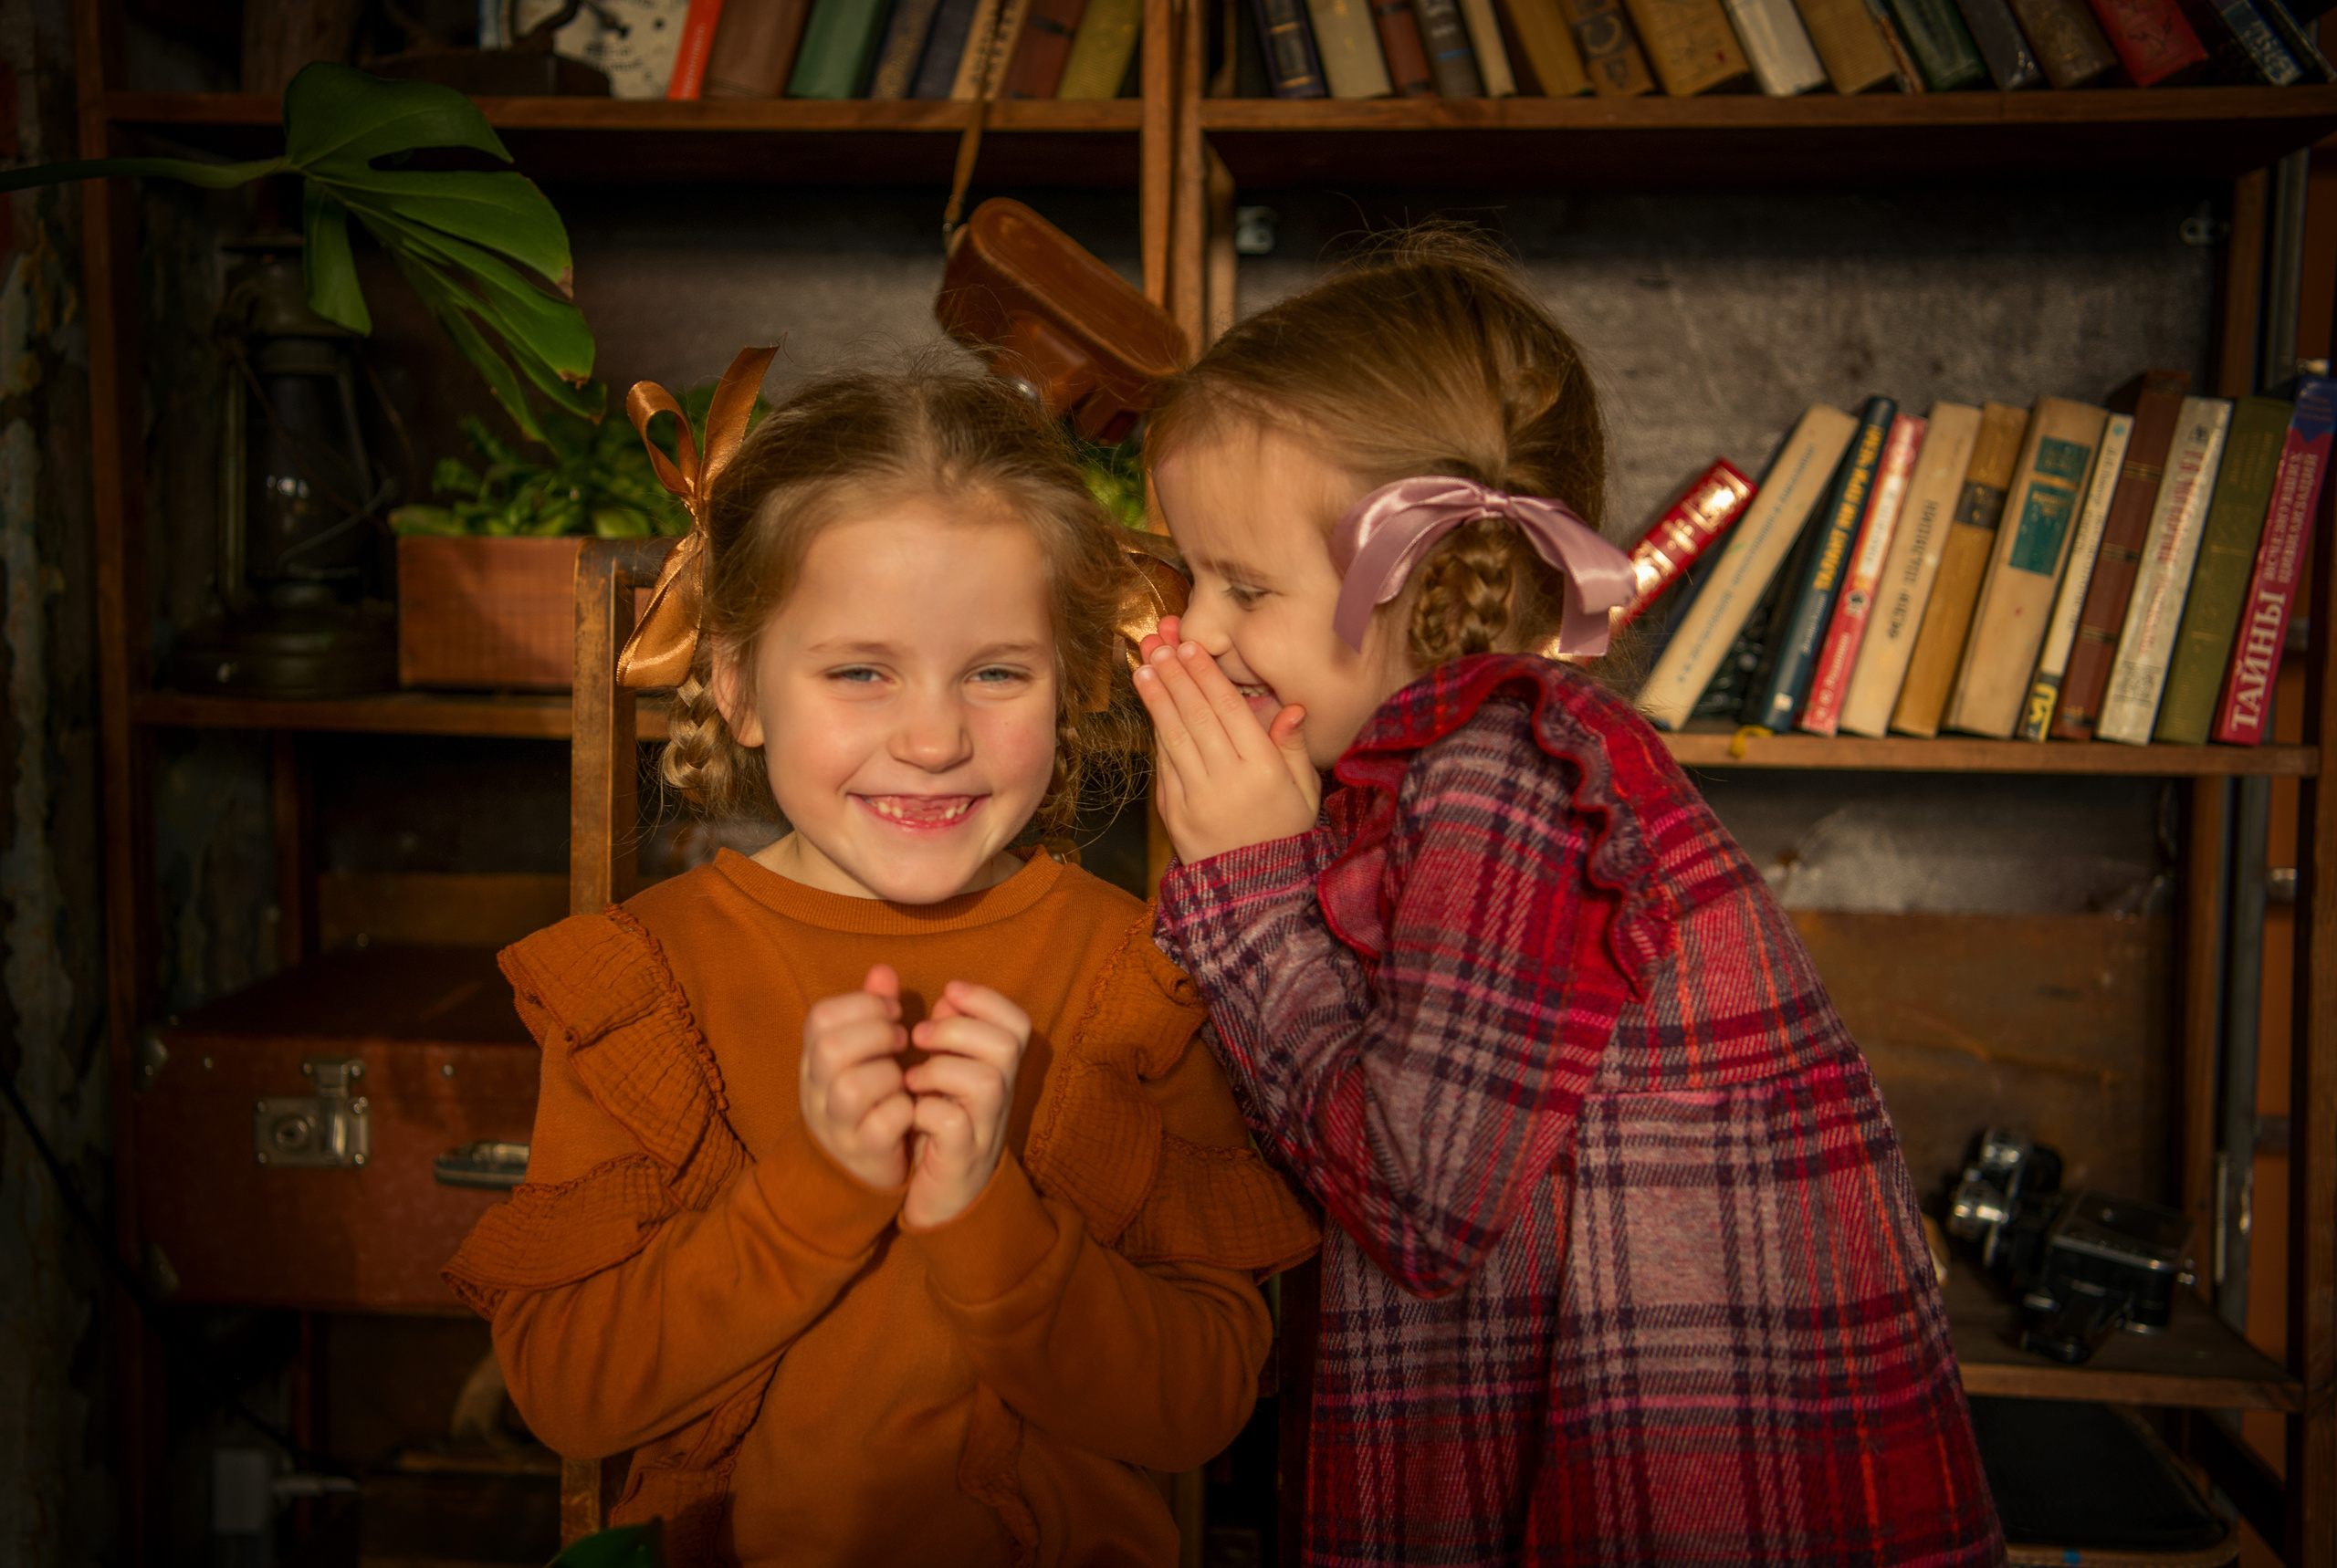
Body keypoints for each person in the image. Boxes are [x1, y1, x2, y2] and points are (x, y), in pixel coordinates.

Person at [1129, 237, 2002, 1567]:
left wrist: (1249, 891)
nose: (1192, 628)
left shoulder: (1511, 772)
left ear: (1424, 585)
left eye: (1244, 585)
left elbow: (1422, 1206)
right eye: (1193, 574)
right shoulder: (1412, 766)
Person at [445, 354, 1317, 1566]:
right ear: (739, 684)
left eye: (997, 672)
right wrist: (816, 1187)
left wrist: (981, 1214)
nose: (932, 735)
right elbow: (569, 1392)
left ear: (1071, 686)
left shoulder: (1134, 979)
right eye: (861, 670)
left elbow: (1203, 1401)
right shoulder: (642, 984)